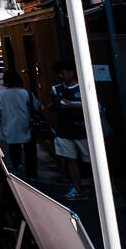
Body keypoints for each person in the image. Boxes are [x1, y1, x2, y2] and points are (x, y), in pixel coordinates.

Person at [0, 70, 39, 180]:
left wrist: (1, 118)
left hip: (9, 125)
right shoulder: (26, 93)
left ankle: (18, 166)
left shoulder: (2, 94)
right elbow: (36, 106)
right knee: (30, 151)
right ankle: (32, 174)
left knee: (13, 149)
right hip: (26, 125)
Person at [52, 63, 90, 199]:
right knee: (70, 160)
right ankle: (77, 188)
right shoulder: (57, 89)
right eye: (59, 73)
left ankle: (102, 187)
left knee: (90, 160)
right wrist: (56, 104)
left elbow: (95, 106)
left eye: (63, 73)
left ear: (72, 72)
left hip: (84, 130)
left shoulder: (84, 87)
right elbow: (52, 108)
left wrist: (72, 105)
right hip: (64, 130)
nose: (60, 76)